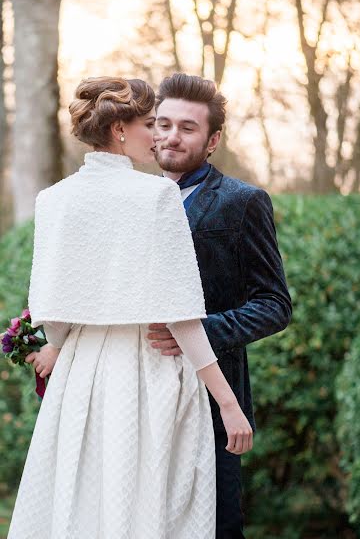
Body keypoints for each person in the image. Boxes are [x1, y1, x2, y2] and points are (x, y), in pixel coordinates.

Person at [8, 77, 253, 539]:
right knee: (151, 509)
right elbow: (181, 313)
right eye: (148, 124)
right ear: (119, 130)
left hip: (79, 380)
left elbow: (53, 308)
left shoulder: (52, 200)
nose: (157, 136)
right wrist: (227, 403)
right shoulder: (156, 197)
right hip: (149, 373)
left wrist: (56, 346)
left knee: (83, 508)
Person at [147, 73, 292, 538]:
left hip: (214, 392)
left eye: (187, 127)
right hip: (137, 385)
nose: (171, 136)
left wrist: (197, 331)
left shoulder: (243, 202)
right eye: (162, 123)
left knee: (214, 520)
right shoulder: (132, 203)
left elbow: (274, 304)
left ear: (212, 140)